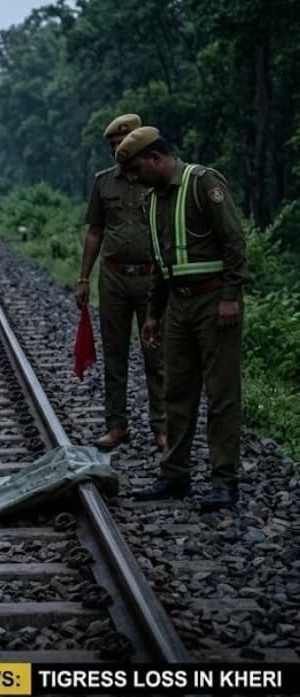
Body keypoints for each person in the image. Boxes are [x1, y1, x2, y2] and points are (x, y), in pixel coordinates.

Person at [115, 127, 247, 512]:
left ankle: (224, 481)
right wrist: (154, 314)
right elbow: (160, 263)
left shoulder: (202, 182)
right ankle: (175, 475)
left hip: (213, 301)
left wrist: (230, 297)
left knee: (221, 395)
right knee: (176, 391)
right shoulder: (153, 201)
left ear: (156, 158)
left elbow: (235, 243)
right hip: (178, 305)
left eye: (138, 170)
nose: (135, 179)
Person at [76, 113, 166, 452]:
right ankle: (116, 426)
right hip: (113, 277)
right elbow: (95, 232)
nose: (120, 151)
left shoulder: (155, 179)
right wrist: (84, 278)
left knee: (156, 355)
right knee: (114, 354)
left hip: (151, 278)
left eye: (125, 144)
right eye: (115, 145)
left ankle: (162, 426)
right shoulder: (104, 183)